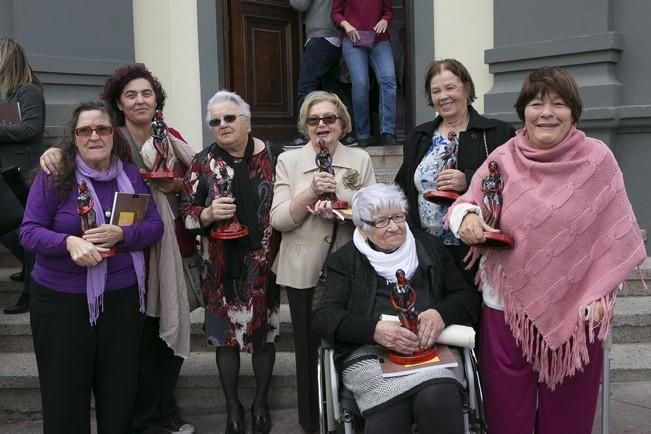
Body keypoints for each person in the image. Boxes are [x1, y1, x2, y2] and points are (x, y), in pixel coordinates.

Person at [448, 66, 647, 434]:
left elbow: (616, 236)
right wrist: (468, 221)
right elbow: (464, 204)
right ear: (523, 110)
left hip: (579, 313)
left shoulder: (597, 159)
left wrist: (603, 293)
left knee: (568, 417)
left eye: (558, 104)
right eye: (536, 103)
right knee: (508, 415)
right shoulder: (502, 159)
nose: (546, 113)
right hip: (506, 310)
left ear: (574, 112)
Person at [40, 64, 196, 434]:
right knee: (136, 342)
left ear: (157, 99)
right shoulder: (110, 139)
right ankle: (144, 417)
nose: (140, 100)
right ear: (118, 105)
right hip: (121, 264)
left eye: (146, 93)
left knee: (168, 325)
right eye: (131, 94)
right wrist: (53, 152)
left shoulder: (168, 137)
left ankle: (163, 408)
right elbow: (71, 157)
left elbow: (197, 179)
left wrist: (176, 188)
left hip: (163, 247)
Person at [19, 101, 164, 433]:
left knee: (119, 395)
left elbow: (154, 227)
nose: (94, 136)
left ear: (114, 134)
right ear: (74, 137)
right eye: (85, 130)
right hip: (61, 304)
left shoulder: (129, 174)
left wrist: (122, 234)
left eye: (102, 128)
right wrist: (67, 243)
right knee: (64, 399)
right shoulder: (55, 175)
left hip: (121, 302)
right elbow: (29, 231)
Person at [312, 183, 480, 434]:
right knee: (389, 413)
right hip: (370, 355)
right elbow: (324, 316)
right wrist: (374, 330)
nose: (393, 226)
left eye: (398, 217)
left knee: (439, 397)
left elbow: (466, 296)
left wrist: (441, 314)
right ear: (363, 228)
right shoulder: (345, 261)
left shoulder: (429, 247)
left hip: (431, 350)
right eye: (381, 221)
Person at [270, 90, 375, 432]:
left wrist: (342, 205)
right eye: (314, 120)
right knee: (306, 350)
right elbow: (280, 219)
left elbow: (374, 213)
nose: (321, 126)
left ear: (341, 123)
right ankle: (310, 423)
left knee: (351, 344)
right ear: (305, 126)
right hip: (302, 270)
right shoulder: (289, 161)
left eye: (329, 118)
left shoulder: (359, 159)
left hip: (349, 270)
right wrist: (312, 192)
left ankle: (351, 415)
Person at [180, 90, 280, 434]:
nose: (222, 124)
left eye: (229, 117)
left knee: (264, 336)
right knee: (226, 339)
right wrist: (206, 213)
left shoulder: (274, 156)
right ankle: (232, 406)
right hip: (220, 268)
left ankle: (261, 402)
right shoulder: (201, 162)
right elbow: (186, 213)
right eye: (215, 121)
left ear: (246, 121)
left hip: (264, 264)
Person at [394, 58, 515, 282]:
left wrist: (468, 179)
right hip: (426, 248)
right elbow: (402, 186)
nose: (443, 96)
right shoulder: (418, 137)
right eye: (436, 91)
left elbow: (513, 183)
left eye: (450, 87)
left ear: (467, 88)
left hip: (474, 247)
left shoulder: (497, 133)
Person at [0, 37, 46, 314]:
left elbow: (31, 129)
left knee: (24, 228)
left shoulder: (28, 91)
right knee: (9, 229)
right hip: (5, 173)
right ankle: (29, 266)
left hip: (21, 174)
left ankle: (31, 291)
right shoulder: (6, 95)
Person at [288, 0, 356, 147]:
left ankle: (304, 134)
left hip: (321, 35)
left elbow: (300, 5)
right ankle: (348, 133)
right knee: (332, 89)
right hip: (334, 36)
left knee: (306, 86)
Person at [331, 0, 397, 147]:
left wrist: (385, 20)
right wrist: (346, 25)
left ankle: (388, 132)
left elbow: (388, 11)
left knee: (389, 79)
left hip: (379, 39)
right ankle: (362, 134)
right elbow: (335, 13)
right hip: (353, 39)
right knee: (360, 83)